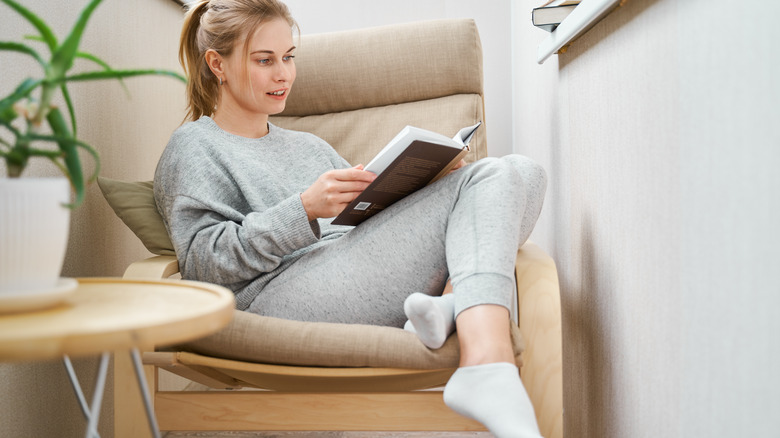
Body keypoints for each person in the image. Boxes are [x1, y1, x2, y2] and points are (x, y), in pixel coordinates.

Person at [154, 1, 547, 436]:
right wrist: (302, 209)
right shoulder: (194, 147)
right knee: (492, 177)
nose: (283, 74)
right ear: (217, 64)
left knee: (524, 172)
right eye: (265, 60)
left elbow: (364, 221)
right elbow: (202, 265)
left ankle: (453, 303)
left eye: (288, 57)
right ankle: (486, 362)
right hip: (272, 300)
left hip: (345, 267)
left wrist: (426, 183)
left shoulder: (308, 146)